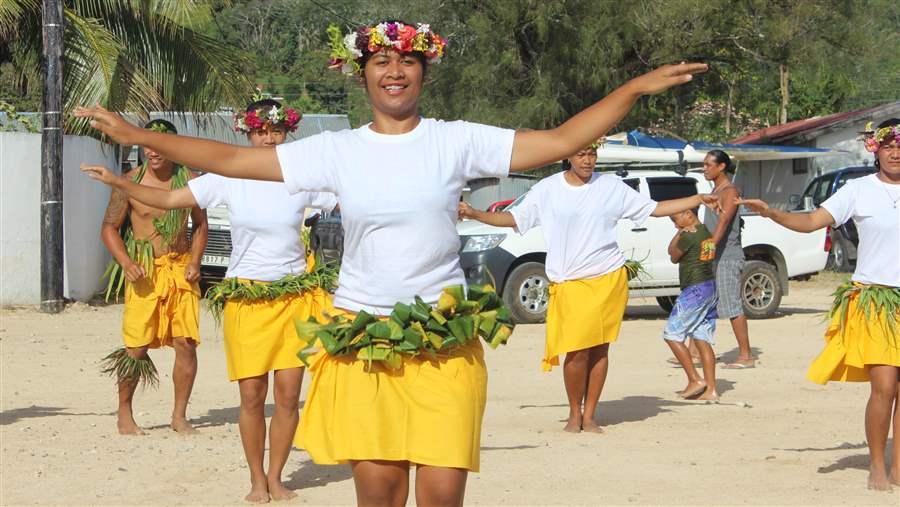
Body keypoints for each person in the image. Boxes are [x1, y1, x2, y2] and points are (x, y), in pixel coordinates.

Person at [75, 18, 708, 506]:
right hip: (362, 342)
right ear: (364, 74)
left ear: (423, 71)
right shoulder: (337, 152)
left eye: (407, 59)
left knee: (440, 493)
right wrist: (139, 137)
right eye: (381, 60)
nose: (395, 70)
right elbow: (232, 161)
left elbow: (563, 139)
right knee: (378, 496)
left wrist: (632, 88)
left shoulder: (457, 141)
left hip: (442, 342)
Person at [84, 99, 337, 503]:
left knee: (288, 396)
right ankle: (256, 479)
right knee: (252, 396)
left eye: (275, 131)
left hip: (294, 297)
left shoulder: (303, 179)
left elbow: (350, 200)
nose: (268, 138)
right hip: (248, 298)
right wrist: (117, 183)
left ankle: (276, 476)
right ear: (246, 133)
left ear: (287, 133)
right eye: (259, 131)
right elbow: (168, 201)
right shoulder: (229, 176)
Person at [458, 144, 720, 432]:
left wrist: (696, 198)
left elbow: (655, 209)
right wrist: (474, 213)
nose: (587, 160)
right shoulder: (548, 189)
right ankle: (574, 413)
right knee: (576, 350)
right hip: (570, 283)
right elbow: (513, 219)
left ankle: (590, 414)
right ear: (567, 156)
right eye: (581, 154)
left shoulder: (611, 186)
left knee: (599, 350)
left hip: (607, 278)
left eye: (592, 154)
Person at [737, 118, 900, 491]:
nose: (895, 151)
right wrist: (773, 213)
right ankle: (877, 465)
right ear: (876, 150)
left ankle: (898, 468)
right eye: (888, 144)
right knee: (885, 385)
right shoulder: (858, 191)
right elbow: (812, 220)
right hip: (877, 300)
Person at [98, 119, 207, 436]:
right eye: (147, 145)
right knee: (136, 346)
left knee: (185, 343)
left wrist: (196, 260)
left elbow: (201, 225)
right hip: (146, 270)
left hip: (180, 269)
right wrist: (126, 262)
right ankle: (124, 414)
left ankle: (179, 416)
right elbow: (109, 228)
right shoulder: (130, 182)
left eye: (159, 145)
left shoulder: (190, 182)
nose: (152, 151)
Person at [703, 150, 755, 369]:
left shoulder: (729, 190)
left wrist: (710, 245)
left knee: (731, 305)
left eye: (708, 165)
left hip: (727, 257)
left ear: (721, 166)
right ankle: (697, 351)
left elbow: (724, 222)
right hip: (715, 255)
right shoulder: (715, 190)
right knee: (705, 303)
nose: (704, 168)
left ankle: (746, 355)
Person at [663, 209, 719, 401]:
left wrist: (679, 232)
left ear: (688, 214)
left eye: (674, 218)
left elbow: (672, 255)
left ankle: (695, 379)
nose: (674, 223)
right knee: (702, 338)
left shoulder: (688, 235)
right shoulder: (706, 232)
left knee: (672, 334)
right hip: (710, 287)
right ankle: (711, 389)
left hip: (694, 290)